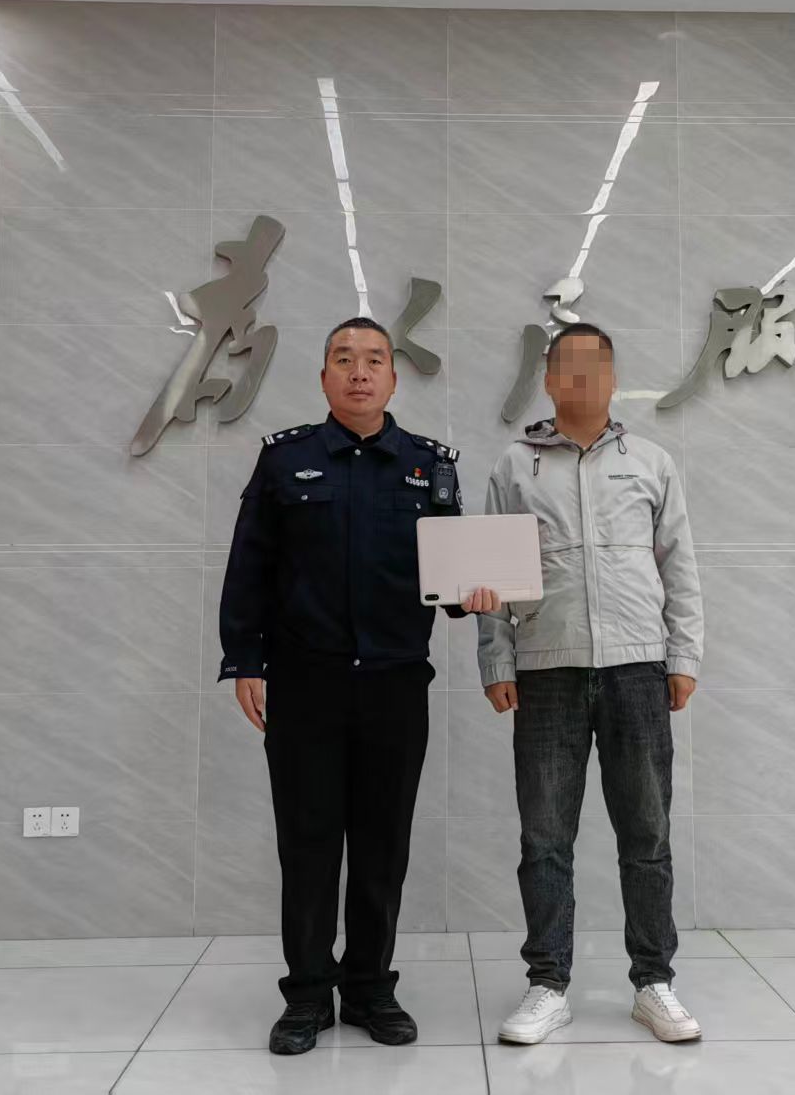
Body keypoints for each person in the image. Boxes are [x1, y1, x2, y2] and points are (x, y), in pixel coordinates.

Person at [219, 316, 496, 1056]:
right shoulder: (286, 461)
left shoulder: (428, 466)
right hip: (303, 684)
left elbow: (450, 582)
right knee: (307, 843)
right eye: (344, 359)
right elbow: (250, 566)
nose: (360, 372)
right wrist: (244, 660)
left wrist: (477, 591)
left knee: (382, 843)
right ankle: (307, 994)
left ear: (394, 380)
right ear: (324, 378)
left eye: (374, 360)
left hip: (395, 685)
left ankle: (371, 986)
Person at [477, 322, 705, 1045]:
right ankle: (547, 984)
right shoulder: (515, 465)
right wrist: (496, 661)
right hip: (546, 669)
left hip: (638, 668)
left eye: (594, 367)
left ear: (612, 378)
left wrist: (683, 655)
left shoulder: (651, 462)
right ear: (548, 380)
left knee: (647, 832)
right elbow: (489, 576)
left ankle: (653, 981)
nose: (581, 380)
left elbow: (679, 566)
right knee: (545, 837)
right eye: (567, 368)